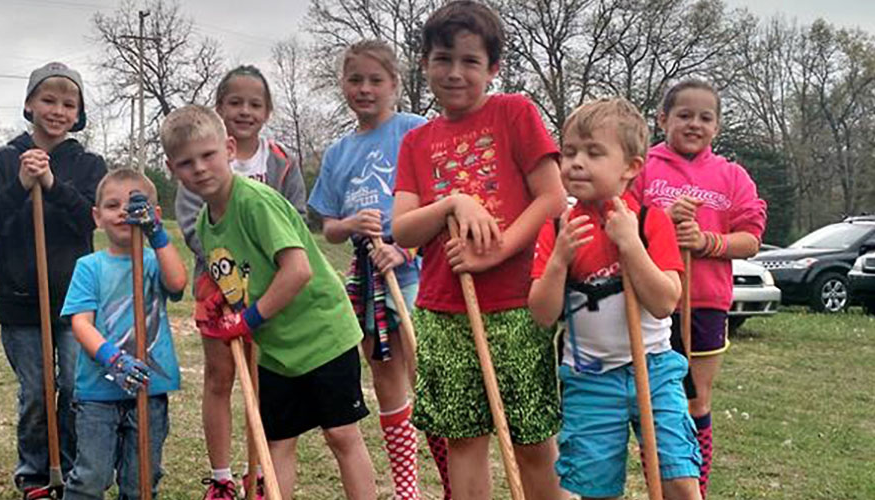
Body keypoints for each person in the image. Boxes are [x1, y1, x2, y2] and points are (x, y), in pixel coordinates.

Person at [390, 2, 570, 498]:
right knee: (464, 441)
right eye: (442, 59)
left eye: (470, 61)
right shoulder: (416, 143)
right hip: (444, 309)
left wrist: (498, 250)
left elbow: (552, 197)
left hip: (517, 307)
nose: (455, 72)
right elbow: (403, 229)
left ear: (493, 68)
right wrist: (454, 202)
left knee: (532, 441)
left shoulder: (514, 113)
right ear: (424, 63)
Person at [164, 105, 377, 499]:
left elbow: (298, 270)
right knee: (276, 442)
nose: (200, 168)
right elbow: (234, 277)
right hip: (277, 349)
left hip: (323, 334)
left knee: (341, 434)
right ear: (171, 169)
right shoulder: (205, 224)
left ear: (229, 149)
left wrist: (248, 319)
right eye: (186, 162)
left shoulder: (255, 201)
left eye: (208, 155)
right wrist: (223, 303)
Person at [529, 97, 701, 500]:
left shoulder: (649, 222)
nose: (576, 163)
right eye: (569, 152)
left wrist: (631, 245)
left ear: (631, 167)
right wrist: (559, 261)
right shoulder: (557, 228)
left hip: (654, 370)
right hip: (589, 378)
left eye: (593, 153)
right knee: (595, 488)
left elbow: (664, 302)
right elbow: (542, 313)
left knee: (678, 479)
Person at [306, 39, 449, 500]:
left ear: (394, 84)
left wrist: (404, 249)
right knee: (386, 377)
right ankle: (407, 488)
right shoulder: (338, 153)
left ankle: (454, 484)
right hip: (367, 274)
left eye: (375, 80)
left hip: (418, 270)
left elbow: (440, 200)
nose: (364, 89)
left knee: (430, 379)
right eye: (355, 80)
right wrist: (351, 224)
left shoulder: (415, 130)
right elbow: (329, 227)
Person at [0, 61, 108, 499]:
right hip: (19, 298)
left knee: (74, 387)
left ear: (78, 113)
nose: (58, 110)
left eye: (68, 104)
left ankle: (69, 469)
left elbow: (90, 218)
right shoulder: (1, 161)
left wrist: (50, 184)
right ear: (29, 104)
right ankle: (34, 474)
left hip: (76, 300)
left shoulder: (88, 165)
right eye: (48, 100)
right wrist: (19, 184)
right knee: (36, 392)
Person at [174, 64, 306, 500]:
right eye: (235, 102)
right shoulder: (199, 156)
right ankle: (222, 477)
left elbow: (296, 219)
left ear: (267, 111)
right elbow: (193, 227)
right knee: (220, 376)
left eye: (255, 103)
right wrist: (228, 276)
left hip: (270, 289)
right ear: (219, 107)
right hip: (216, 285)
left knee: (266, 377)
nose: (245, 111)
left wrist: (263, 274)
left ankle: (263, 469)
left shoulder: (281, 161)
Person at [634, 78, 767, 498]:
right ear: (662, 119)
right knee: (654, 407)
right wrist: (660, 220)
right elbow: (617, 219)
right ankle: (660, 487)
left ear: (717, 126)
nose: (695, 124)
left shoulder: (732, 176)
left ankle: (695, 490)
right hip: (652, 303)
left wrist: (707, 242)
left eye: (705, 118)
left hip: (705, 303)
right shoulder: (642, 167)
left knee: (695, 402)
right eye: (684, 115)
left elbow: (751, 238)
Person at [60, 169, 188, 499]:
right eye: (112, 205)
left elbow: (177, 282)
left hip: (150, 389)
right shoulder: (89, 266)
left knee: (141, 479)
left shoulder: (155, 262)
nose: (122, 212)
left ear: (153, 213)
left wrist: (156, 234)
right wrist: (113, 359)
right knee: (91, 476)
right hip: (97, 393)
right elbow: (81, 324)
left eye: (133, 204)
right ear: (97, 216)